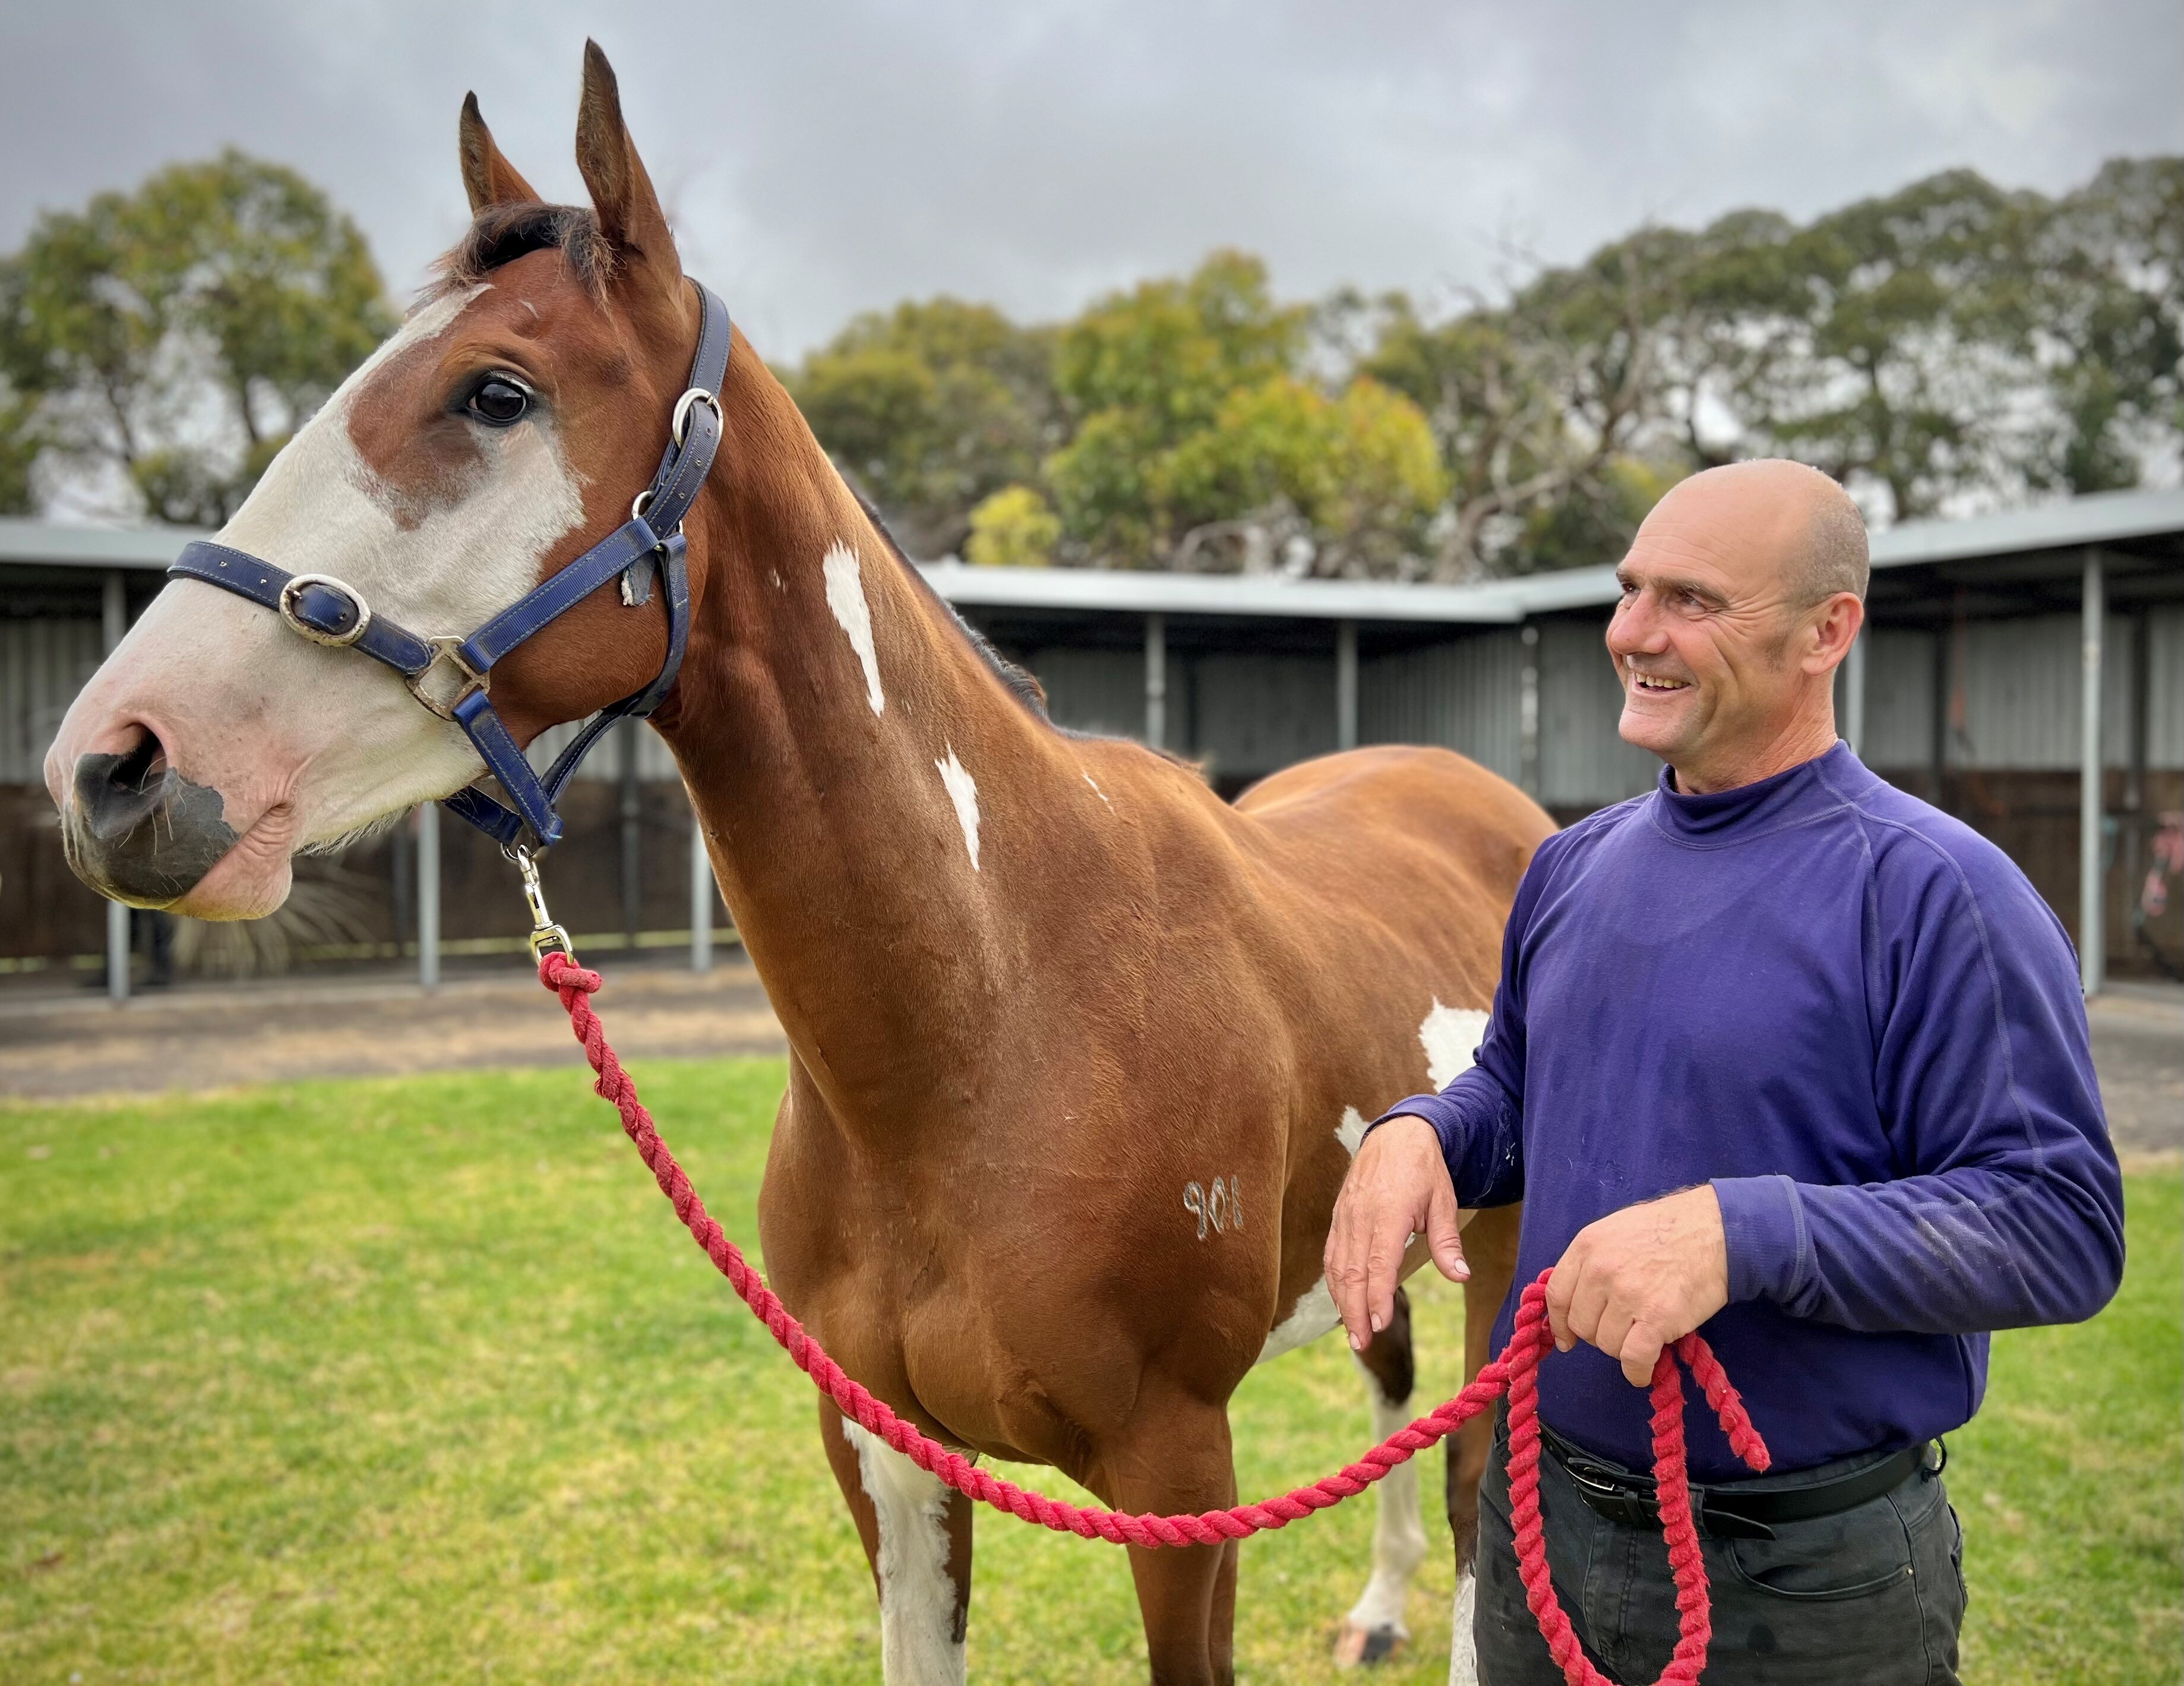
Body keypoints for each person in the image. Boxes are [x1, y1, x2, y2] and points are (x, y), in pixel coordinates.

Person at [1324, 460, 2123, 1684]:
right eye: (1631, 589)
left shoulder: (1936, 894)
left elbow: (2060, 1226)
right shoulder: (1574, 869)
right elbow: (1520, 1096)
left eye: (1693, 601)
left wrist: (1741, 1234)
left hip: (1806, 1582)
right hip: (1543, 1531)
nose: (1633, 633)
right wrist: (1425, 1128)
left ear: (1827, 631)